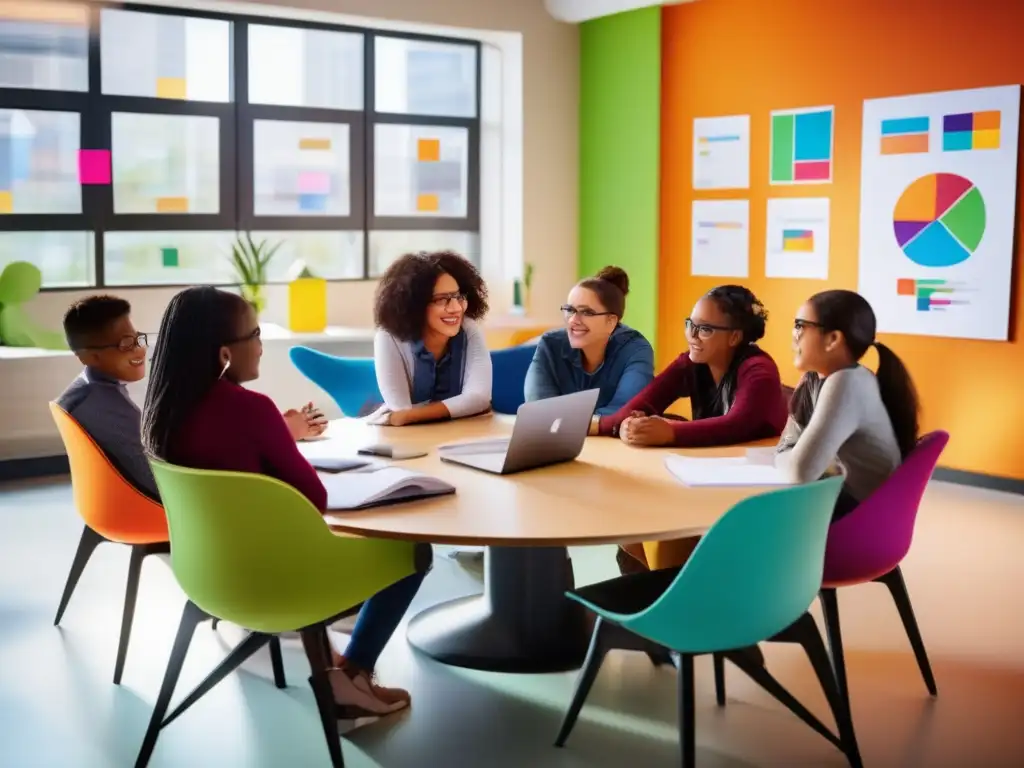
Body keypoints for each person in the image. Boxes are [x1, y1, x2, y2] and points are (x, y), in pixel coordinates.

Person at [142, 287, 425, 718]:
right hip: (276, 581)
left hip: (206, 575)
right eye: (253, 335)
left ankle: (337, 672)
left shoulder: (162, 412)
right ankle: (353, 674)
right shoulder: (252, 409)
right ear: (223, 354)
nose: (260, 346)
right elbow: (315, 496)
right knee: (414, 553)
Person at [598, 285, 789, 575]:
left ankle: (672, 590)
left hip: (755, 495)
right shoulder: (690, 362)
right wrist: (621, 426)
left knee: (658, 519)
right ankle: (655, 593)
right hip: (709, 480)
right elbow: (643, 402)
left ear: (734, 337)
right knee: (631, 518)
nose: (692, 335)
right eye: (690, 325)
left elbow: (738, 424)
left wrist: (671, 432)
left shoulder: (758, 369)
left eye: (705, 329)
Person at [775, 289, 919, 520]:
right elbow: (788, 447)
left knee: (746, 516)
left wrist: (789, 457)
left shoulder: (847, 383)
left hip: (863, 519)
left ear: (833, 339)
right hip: (843, 500)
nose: (794, 334)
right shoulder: (816, 378)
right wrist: (795, 457)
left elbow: (799, 471)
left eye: (801, 325)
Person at [368, 250, 492, 426]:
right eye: (442, 300)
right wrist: (459, 407)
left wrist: (411, 415)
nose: (456, 308)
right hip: (408, 440)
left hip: (459, 435)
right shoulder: (388, 337)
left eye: (459, 297)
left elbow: (479, 398)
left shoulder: (469, 329)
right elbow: (400, 408)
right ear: (415, 305)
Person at [524, 266, 654, 427]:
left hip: (614, 447)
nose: (573, 320)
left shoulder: (636, 349)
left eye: (587, 313)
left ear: (611, 321)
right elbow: (540, 410)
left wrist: (564, 421)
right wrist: (597, 422)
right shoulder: (550, 345)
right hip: (558, 444)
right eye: (570, 310)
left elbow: (625, 412)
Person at [57, 296, 160, 500]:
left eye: (137, 338)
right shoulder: (110, 407)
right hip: (141, 506)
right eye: (126, 344)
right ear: (89, 357)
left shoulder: (83, 391)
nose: (140, 348)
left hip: (103, 501)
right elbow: (155, 483)